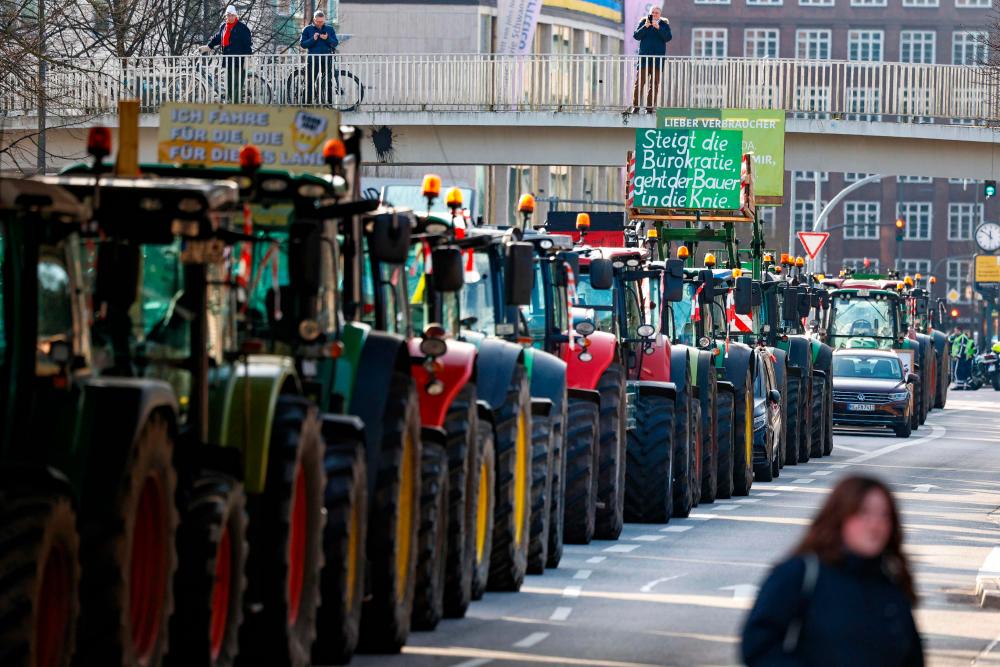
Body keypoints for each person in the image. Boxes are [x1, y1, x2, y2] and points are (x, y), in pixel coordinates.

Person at [742, 475, 923, 667]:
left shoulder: (891, 581)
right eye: (863, 513)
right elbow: (758, 645)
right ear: (840, 517)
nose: (875, 525)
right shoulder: (801, 573)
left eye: (884, 515)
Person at [202, 5, 253, 102]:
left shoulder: (242, 28)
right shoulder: (224, 27)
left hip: (239, 62)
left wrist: (247, 58)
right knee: (229, 87)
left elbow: (247, 44)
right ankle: (231, 106)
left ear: (235, 16)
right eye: (228, 15)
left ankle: (236, 108)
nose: (229, 17)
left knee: (236, 87)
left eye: (231, 15)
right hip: (228, 61)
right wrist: (208, 46)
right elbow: (217, 38)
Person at [631, 6, 671, 113]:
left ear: (660, 14)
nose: (654, 14)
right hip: (644, 59)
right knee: (639, 83)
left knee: (654, 84)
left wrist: (658, 28)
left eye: (656, 13)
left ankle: (649, 108)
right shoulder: (644, 22)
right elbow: (636, 36)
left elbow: (668, 37)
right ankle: (636, 106)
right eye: (652, 12)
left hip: (657, 60)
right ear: (649, 13)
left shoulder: (664, 24)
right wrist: (645, 26)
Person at [300, 9, 340, 104]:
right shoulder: (307, 29)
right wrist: (313, 39)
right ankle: (307, 103)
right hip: (313, 60)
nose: (319, 24)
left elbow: (335, 43)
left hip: (326, 60)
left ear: (324, 20)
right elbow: (303, 44)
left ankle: (328, 104)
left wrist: (327, 38)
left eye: (321, 22)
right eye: (317, 21)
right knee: (310, 82)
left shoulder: (329, 29)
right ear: (314, 20)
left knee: (327, 82)